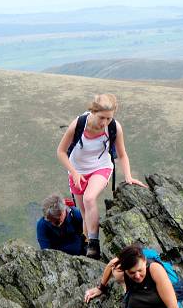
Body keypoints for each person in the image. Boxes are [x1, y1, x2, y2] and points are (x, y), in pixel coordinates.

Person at [57, 94, 147, 260]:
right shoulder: (79, 124)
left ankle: (94, 244)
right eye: (101, 117)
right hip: (77, 171)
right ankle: (86, 246)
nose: (105, 122)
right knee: (84, 214)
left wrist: (128, 176)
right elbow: (61, 152)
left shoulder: (114, 127)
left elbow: (122, 154)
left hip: (101, 167)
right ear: (93, 111)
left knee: (89, 198)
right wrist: (74, 172)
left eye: (109, 118)